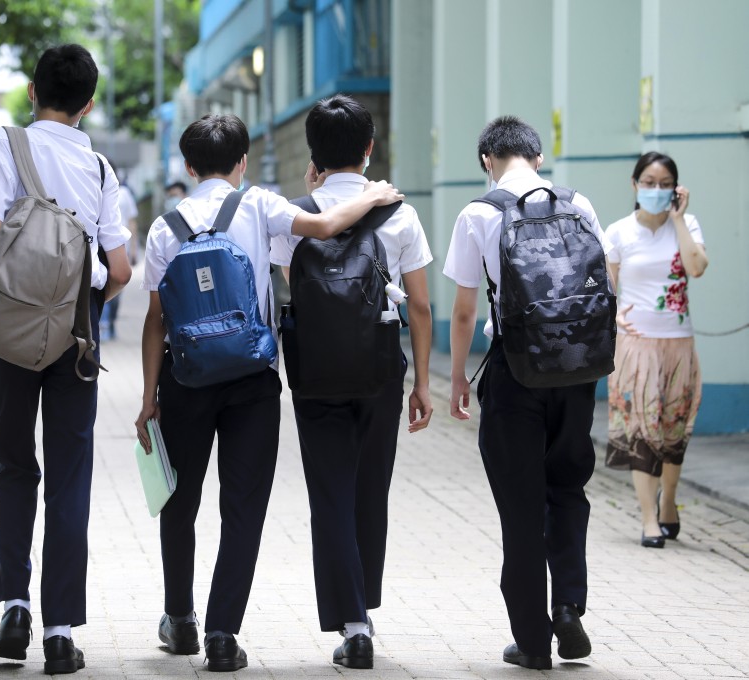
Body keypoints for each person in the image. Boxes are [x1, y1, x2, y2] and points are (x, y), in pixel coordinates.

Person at [135, 113, 403, 672]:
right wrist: (375, 192)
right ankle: (222, 634)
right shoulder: (258, 206)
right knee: (244, 509)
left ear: (188, 166)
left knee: (178, 501)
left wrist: (147, 398)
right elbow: (327, 226)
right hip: (251, 383)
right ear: (242, 163)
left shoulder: (165, 227)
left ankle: (179, 618)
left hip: (184, 380)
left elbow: (156, 320)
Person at [0, 44, 131, 675]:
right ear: (88, 103)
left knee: (13, 465)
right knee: (70, 478)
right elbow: (119, 268)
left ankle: (15, 604)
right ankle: (60, 631)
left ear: (32, 91)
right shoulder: (97, 165)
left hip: (7, 326)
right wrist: (82, 296)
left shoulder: (0, 144)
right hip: (76, 332)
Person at [269, 94, 434, 670]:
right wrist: (424, 384)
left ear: (313, 155)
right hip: (380, 371)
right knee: (370, 492)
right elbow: (420, 307)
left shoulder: (293, 215)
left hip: (315, 372)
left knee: (330, 495)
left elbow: (296, 288)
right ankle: (367, 606)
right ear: (370, 148)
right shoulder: (399, 214)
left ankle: (353, 624)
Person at [444, 116, 604, 670]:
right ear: (537, 157)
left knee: (520, 507)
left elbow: (466, 310)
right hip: (576, 372)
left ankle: (532, 640)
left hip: (514, 372)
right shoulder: (578, 204)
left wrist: (458, 376)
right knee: (567, 490)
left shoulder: (479, 214)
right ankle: (568, 607)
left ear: (488, 159)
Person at [603, 152, 708, 548]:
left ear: (676, 190)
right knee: (642, 429)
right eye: (648, 182)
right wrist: (614, 321)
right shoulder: (618, 232)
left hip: (679, 344)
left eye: (665, 184)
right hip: (636, 345)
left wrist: (679, 219)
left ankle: (669, 503)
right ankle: (649, 518)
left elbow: (697, 267)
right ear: (634, 185)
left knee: (674, 428)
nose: (656, 190)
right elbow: (606, 293)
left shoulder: (687, 225)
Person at [99, 162, 139, 340]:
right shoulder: (95, 185)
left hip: (121, 247)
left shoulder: (124, 194)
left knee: (114, 294)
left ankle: (110, 322)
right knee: (104, 286)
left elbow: (132, 222)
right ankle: (103, 324)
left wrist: (134, 250)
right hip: (101, 248)